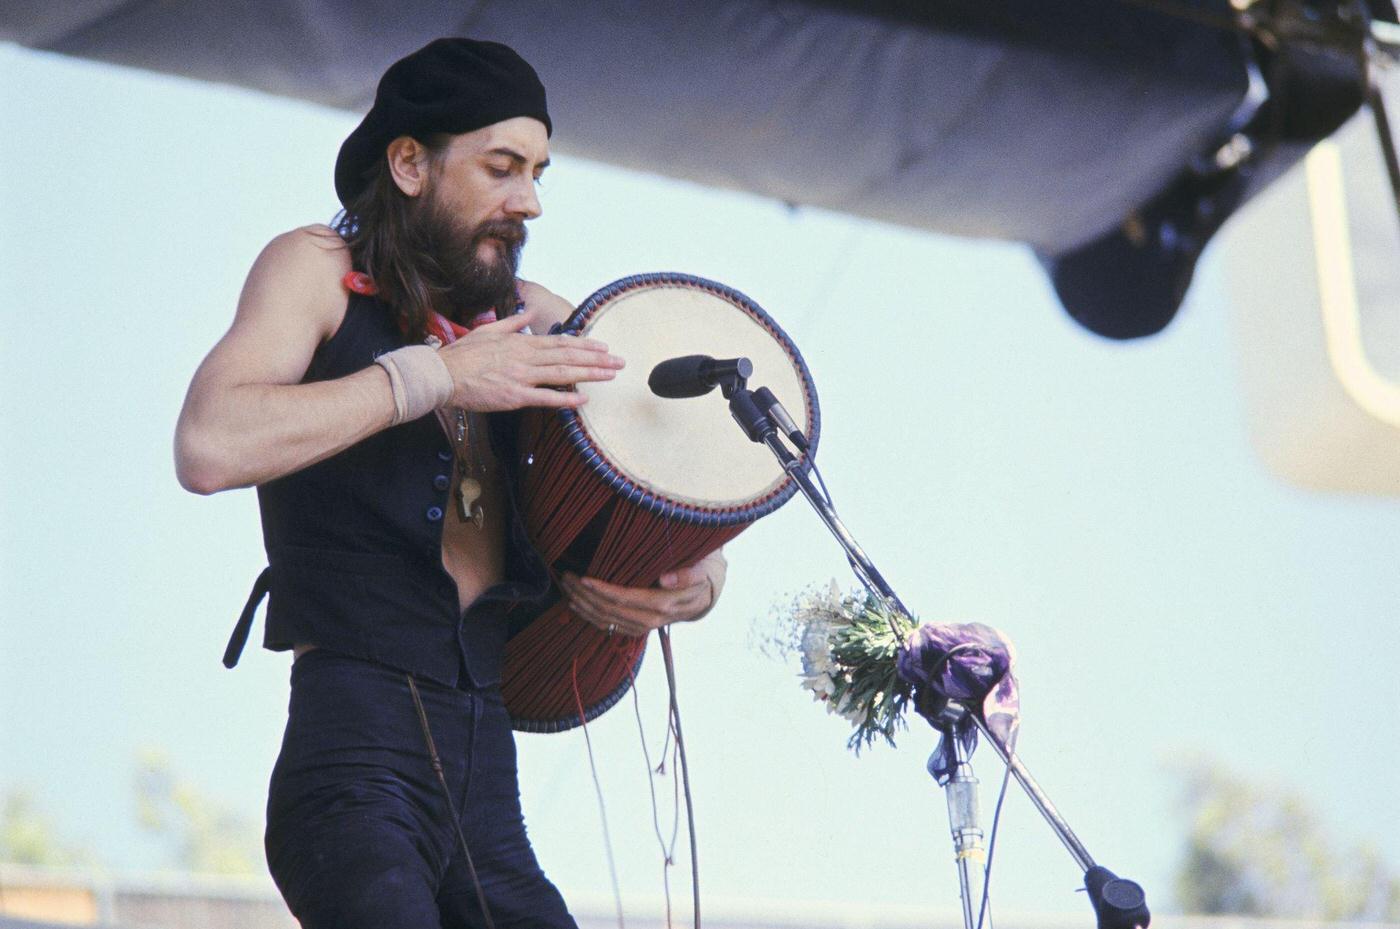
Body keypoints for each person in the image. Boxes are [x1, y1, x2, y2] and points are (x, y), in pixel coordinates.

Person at [174, 37, 727, 929]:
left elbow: (663, 464)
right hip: (353, 765)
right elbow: (207, 443)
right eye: (502, 168)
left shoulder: (533, 314)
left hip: (487, 775)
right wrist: (432, 377)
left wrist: (690, 579)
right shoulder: (316, 267)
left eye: (540, 172)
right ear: (407, 163)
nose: (530, 202)